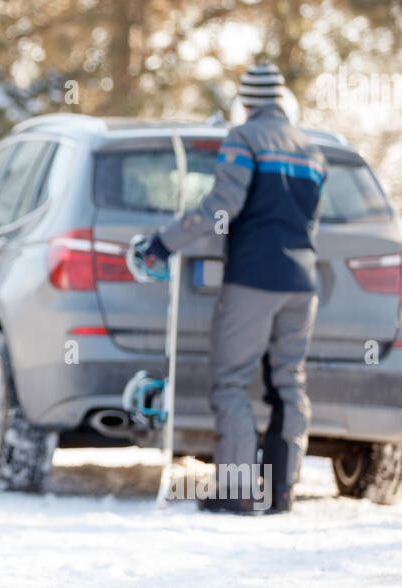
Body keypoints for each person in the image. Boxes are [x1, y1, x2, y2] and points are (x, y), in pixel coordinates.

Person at [132, 64, 325, 514]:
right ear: (282, 100)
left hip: (254, 278)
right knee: (288, 384)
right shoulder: (312, 151)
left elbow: (223, 205)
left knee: (232, 382)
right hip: (303, 283)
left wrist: (164, 243)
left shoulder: (243, 139)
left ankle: (237, 491)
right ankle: (280, 491)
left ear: (247, 102)